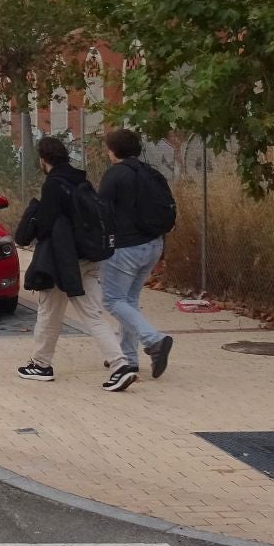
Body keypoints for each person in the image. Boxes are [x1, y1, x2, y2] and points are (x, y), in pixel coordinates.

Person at [16, 135, 137, 391]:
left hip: (63, 261)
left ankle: (41, 365)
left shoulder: (54, 184)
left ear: (43, 159)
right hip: (89, 257)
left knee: (49, 311)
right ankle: (120, 364)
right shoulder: (81, 180)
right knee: (92, 315)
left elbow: (46, 225)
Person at [98, 127, 174, 384]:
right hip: (153, 245)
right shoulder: (152, 173)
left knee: (112, 301)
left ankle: (154, 341)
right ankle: (129, 359)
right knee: (128, 301)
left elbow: (101, 213)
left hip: (125, 248)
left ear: (113, 150)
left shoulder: (115, 176)